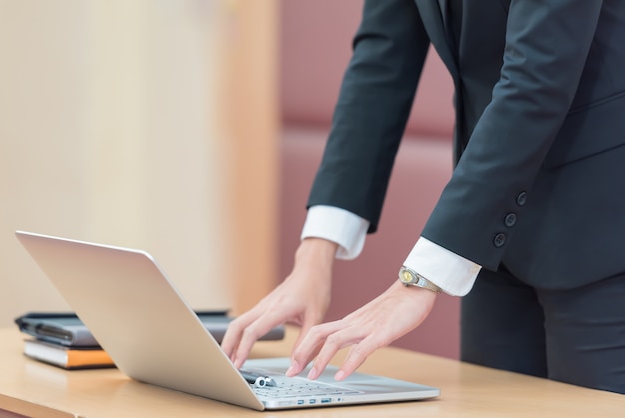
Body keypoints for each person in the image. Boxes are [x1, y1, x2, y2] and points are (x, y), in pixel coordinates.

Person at [222, 0, 625, 394]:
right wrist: (314, 254)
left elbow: (536, 80)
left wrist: (418, 281)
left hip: (603, 226)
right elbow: (382, 58)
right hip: (489, 235)